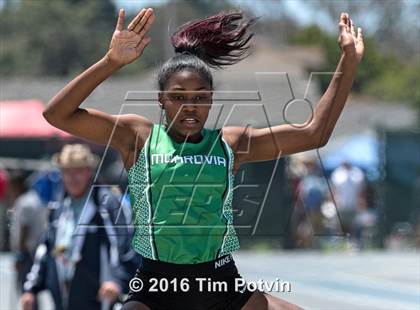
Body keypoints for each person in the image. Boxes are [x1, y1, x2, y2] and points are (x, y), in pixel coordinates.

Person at [42, 7, 364, 310]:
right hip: (157, 289)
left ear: (211, 100)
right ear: (161, 100)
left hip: (222, 286)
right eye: (178, 97)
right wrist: (111, 62)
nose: (190, 106)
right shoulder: (137, 138)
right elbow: (57, 114)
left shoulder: (229, 144)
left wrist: (348, 61)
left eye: (200, 97)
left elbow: (314, 133)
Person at [20, 144, 137, 310]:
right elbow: (45, 249)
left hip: (99, 300)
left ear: (89, 172)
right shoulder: (58, 207)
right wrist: (30, 289)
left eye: (78, 171)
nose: (72, 178)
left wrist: (116, 280)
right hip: (63, 300)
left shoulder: (106, 204)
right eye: (67, 171)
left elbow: (123, 245)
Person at [8, 171, 47, 308]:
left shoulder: (24, 202)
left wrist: (20, 256)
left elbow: (25, 228)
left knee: (26, 290)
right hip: (33, 251)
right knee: (31, 289)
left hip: (28, 253)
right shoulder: (34, 198)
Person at [330, 161, 366, 235]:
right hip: (341, 204)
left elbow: (361, 192)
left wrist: (361, 203)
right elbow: (334, 190)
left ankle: (352, 242)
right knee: (340, 224)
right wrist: (334, 202)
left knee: (352, 225)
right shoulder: (337, 174)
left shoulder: (357, 173)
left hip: (353, 204)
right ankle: (341, 242)